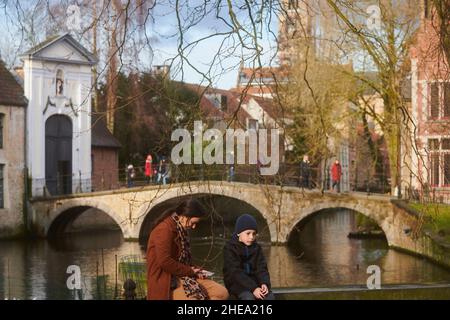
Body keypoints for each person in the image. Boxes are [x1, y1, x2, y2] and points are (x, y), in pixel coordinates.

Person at [146, 198, 229, 300]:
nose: (194, 227)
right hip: (166, 281)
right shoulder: (164, 230)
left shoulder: (181, 229)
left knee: (222, 293)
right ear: (185, 216)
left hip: (183, 276)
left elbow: (182, 261)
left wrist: (196, 270)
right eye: (193, 222)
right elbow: (165, 262)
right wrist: (190, 271)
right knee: (196, 298)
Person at [223, 214, 275, 300]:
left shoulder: (257, 248)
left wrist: (264, 283)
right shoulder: (230, 248)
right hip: (237, 284)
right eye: (248, 233)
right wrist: (253, 288)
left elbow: (262, 268)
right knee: (248, 298)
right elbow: (235, 272)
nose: (251, 237)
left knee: (269, 297)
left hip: (255, 283)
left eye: (254, 234)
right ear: (239, 233)